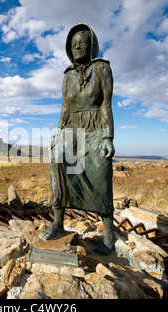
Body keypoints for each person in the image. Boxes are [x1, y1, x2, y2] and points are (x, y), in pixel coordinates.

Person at [39, 23, 115, 255]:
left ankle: (110, 236)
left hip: (94, 128)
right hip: (70, 128)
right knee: (58, 168)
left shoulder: (102, 69)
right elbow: (65, 107)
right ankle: (58, 224)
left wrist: (108, 136)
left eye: (83, 43)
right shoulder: (68, 75)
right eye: (74, 44)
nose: (78, 47)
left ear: (92, 46)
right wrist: (58, 131)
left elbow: (105, 105)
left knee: (101, 177)